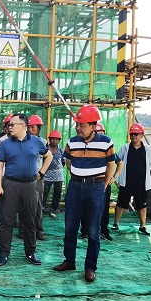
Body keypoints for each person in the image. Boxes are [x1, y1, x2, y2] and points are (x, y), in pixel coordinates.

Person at [53, 105, 115, 283]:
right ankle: (69, 261)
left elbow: (111, 165)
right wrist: (79, 177)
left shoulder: (106, 142)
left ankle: (90, 267)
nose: (78, 128)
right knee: (70, 227)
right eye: (77, 124)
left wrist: (102, 185)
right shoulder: (72, 142)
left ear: (93, 126)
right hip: (75, 187)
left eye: (82, 125)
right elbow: (69, 163)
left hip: (96, 188)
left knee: (93, 230)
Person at [0, 114, 51, 266]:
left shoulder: (36, 141)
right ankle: (3, 254)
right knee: (7, 221)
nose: (10, 127)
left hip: (30, 185)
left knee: (29, 220)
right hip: (10, 185)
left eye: (13, 124)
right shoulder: (5, 144)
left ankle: (31, 252)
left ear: (23, 126)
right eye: (9, 125)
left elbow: (49, 156)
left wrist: (41, 173)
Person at [112, 123, 151, 235]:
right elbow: (119, 162)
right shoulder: (124, 148)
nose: (133, 136)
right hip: (127, 181)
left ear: (142, 135)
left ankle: (143, 225)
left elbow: (150, 164)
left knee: (142, 204)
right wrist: (118, 177)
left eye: (136, 134)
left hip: (141, 182)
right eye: (132, 134)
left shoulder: (147, 149)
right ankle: (116, 223)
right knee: (121, 203)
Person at [79, 122, 117, 240]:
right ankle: (85, 231)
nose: (99, 136)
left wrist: (113, 177)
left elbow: (118, 163)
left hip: (103, 183)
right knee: (86, 207)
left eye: (102, 133)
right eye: (98, 133)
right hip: (89, 183)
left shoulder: (107, 147)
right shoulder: (86, 147)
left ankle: (103, 231)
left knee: (104, 208)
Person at [26, 114, 48, 240]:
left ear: (38, 128)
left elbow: (47, 158)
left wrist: (41, 173)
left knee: (38, 204)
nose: (30, 130)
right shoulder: (22, 141)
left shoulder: (43, 142)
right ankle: (23, 230)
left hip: (38, 177)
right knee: (24, 204)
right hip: (24, 177)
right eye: (28, 127)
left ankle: (39, 230)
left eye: (32, 127)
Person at [42, 129, 65, 217]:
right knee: (44, 192)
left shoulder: (61, 151)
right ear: (49, 139)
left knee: (57, 193)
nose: (54, 141)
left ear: (59, 140)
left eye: (56, 139)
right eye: (52, 139)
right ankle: (42, 207)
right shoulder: (45, 149)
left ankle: (54, 209)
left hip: (58, 175)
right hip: (47, 174)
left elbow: (63, 162)